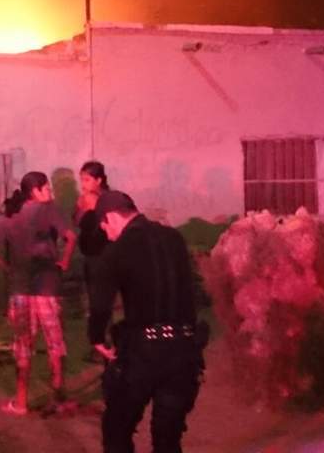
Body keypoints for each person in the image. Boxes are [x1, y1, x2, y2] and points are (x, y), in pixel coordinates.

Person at [89, 191, 206, 453]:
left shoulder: (117, 250)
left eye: (103, 226)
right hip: (184, 351)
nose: (105, 233)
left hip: (143, 354)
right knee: (168, 438)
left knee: (116, 429)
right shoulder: (174, 238)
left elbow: (100, 304)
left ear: (111, 217)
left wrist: (97, 338)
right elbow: (189, 291)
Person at [0, 171, 77, 415]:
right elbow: (71, 237)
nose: (50, 192)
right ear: (35, 191)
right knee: (55, 343)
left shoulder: (11, 216)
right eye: (47, 188)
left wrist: (4, 265)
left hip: (20, 290)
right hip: (47, 287)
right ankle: (58, 397)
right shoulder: (49, 210)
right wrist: (64, 261)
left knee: (23, 345)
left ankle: (21, 401)